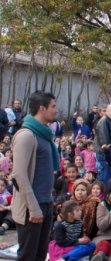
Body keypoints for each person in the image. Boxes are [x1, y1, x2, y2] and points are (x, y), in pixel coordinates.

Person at [11, 91, 59, 261]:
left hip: (45, 203)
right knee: (27, 256)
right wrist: (33, 207)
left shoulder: (44, 135)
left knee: (40, 256)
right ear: (42, 108)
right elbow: (19, 176)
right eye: (53, 106)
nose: (56, 110)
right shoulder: (26, 136)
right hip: (31, 208)